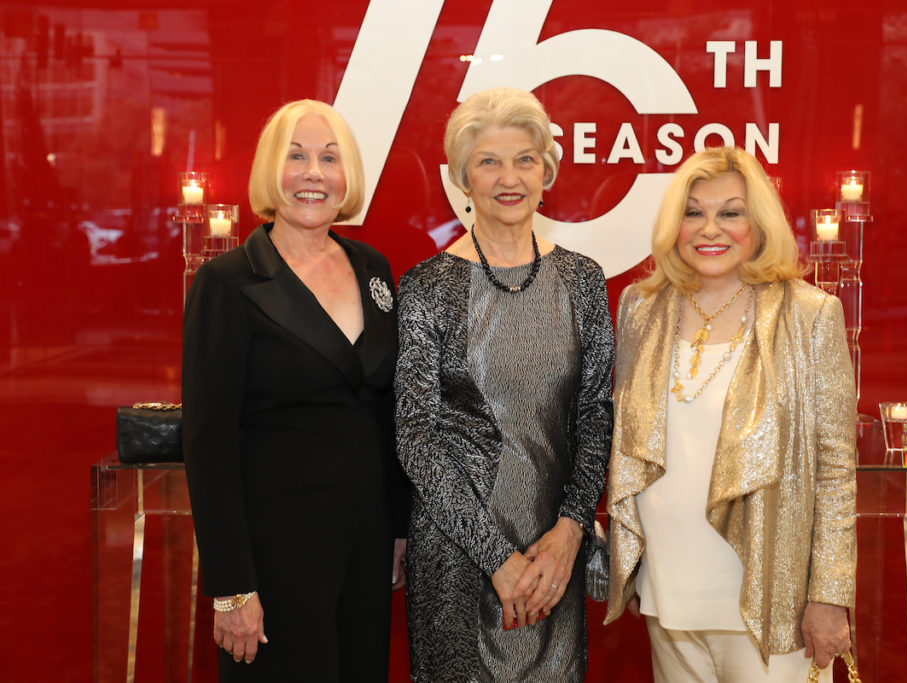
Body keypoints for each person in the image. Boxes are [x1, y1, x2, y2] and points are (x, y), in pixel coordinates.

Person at [604, 146, 857, 682]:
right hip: (667, 590)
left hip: (771, 603)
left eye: (731, 212)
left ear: (759, 224)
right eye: (693, 212)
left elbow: (836, 470)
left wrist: (829, 594)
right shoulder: (640, 310)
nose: (709, 228)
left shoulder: (810, 314)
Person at [182, 99, 408, 681]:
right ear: (269, 172)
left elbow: (388, 411)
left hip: (366, 542)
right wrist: (231, 588)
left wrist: (400, 527)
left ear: (347, 176)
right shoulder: (227, 283)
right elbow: (208, 445)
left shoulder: (373, 268)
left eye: (329, 158)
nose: (314, 173)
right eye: (297, 156)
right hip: (273, 554)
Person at [394, 87, 614, 681]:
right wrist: (496, 558)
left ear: (547, 169)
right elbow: (416, 438)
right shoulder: (428, 288)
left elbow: (595, 416)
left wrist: (570, 532)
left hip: (553, 553)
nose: (508, 176)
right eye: (488, 161)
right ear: (463, 178)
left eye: (524, 158)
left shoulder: (583, 282)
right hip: (458, 556)